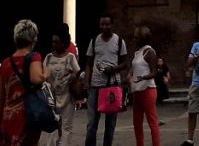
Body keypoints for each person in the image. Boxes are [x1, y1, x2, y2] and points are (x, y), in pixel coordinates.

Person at [0, 19, 46, 146]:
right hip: (28, 117)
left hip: (9, 119)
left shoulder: (5, 63)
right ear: (33, 39)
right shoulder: (35, 57)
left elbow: (0, 98)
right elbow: (36, 79)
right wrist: (46, 74)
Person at [84, 14, 128, 146]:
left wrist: (114, 68)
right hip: (96, 86)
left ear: (112, 25)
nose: (104, 27)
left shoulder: (119, 41)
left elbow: (125, 63)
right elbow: (89, 63)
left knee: (110, 123)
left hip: (112, 86)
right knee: (92, 123)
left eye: (107, 24)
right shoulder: (94, 41)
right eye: (102, 24)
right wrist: (87, 81)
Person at [44, 27, 80, 146]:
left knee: (66, 128)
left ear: (63, 43)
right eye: (53, 41)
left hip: (67, 98)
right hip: (51, 99)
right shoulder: (48, 58)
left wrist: (73, 78)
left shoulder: (70, 57)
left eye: (56, 42)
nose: (54, 44)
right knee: (52, 128)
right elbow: (43, 76)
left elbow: (77, 73)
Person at [130, 26, 160, 146]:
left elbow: (154, 72)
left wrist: (144, 77)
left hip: (148, 90)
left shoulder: (149, 51)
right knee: (137, 123)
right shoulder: (138, 52)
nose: (134, 39)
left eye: (136, 37)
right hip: (137, 90)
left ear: (143, 39)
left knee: (152, 121)